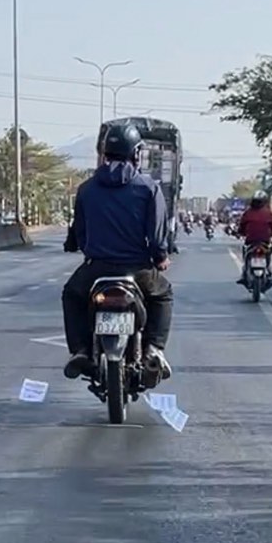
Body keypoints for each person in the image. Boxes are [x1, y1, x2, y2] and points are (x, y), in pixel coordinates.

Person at [62, 122, 173, 384]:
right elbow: (157, 234)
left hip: (97, 269)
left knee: (72, 295)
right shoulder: (148, 187)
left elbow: (80, 230)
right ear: (136, 154)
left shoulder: (87, 189)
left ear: (104, 152)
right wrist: (160, 257)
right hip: (137, 269)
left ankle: (80, 350)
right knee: (163, 294)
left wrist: (79, 246)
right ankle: (154, 349)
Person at [235, 191, 272, 284]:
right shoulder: (268, 213)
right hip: (264, 240)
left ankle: (245, 273)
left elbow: (241, 226)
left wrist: (240, 233)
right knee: (268, 254)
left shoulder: (248, 212)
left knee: (246, 253)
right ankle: (269, 271)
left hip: (251, 240)